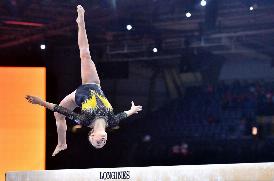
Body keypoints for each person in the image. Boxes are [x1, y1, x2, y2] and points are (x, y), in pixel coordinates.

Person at [25, 5, 142, 156]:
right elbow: (125, 114)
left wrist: (39, 101)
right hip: (94, 84)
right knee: (86, 55)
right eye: (103, 143)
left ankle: (81, 22)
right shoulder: (112, 121)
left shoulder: (85, 120)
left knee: (59, 114)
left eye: (97, 142)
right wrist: (132, 110)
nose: (102, 141)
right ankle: (62, 144)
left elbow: (60, 108)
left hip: (78, 94)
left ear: (91, 136)